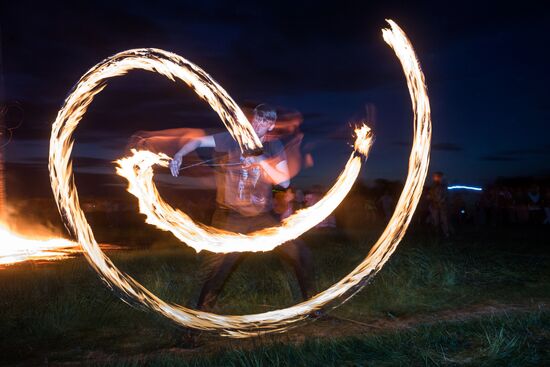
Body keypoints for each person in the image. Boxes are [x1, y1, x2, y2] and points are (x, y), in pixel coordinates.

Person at [169, 104, 312, 311]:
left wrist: (259, 157)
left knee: (301, 253)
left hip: (262, 216)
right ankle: (197, 320)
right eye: (256, 118)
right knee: (219, 267)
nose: (257, 123)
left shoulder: (274, 147)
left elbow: (284, 183)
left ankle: (313, 306)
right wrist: (180, 154)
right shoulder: (233, 138)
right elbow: (199, 141)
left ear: (271, 126)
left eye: (264, 121)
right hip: (231, 215)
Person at [427, 172, 451, 237]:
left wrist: (442, 200)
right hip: (434, 206)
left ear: (439, 177)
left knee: (444, 220)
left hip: (442, 206)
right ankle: (436, 234)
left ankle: (446, 234)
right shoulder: (433, 186)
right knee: (435, 221)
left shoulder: (444, 186)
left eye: (436, 176)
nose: (434, 178)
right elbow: (429, 196)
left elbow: (446, 195)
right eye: (434, 176)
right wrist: (430, 198)